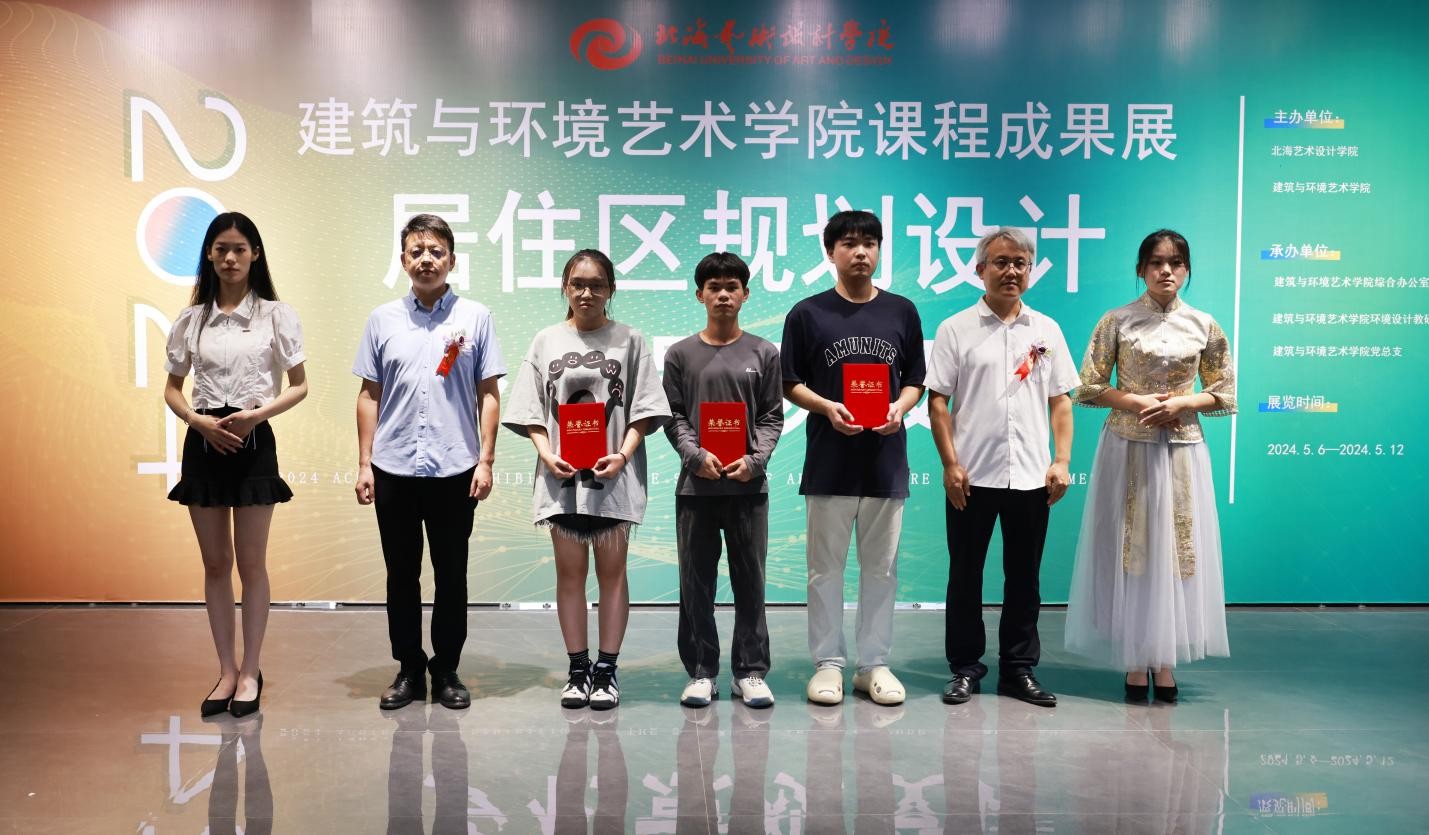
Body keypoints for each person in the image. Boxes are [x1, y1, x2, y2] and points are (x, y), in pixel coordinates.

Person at [1064, 229, 1235, 703]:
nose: (1166, 271)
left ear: (1187, 269)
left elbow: (1224, 391)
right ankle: (1136, 659)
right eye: (1157, 262)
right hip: (1128, 445)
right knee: (1133, 545)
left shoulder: (1203, 324)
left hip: (1182, 449)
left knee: (1177, 548)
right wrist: (1135, 400)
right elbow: (1088, 386)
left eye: (1176, 262)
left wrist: (1184, 403)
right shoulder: (1117, 320)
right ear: (1140, 269)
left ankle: (1166, 659)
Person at [503, 249, 670, 710]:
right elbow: (531, 410)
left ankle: (607, 672)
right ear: (565, 287)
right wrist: (546, 453)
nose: (586, 292)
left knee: (613, 575)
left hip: (613, 478)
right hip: (561, 479)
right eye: (577, 283)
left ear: (611, 290)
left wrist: (623, 455)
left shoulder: (631, 340)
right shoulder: (546, 341)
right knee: (570, 574)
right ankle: (578, 670)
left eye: (597, 284)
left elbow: (644, 409)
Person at [354, 213, 505, 711]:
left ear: (451, 261)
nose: (426, 259)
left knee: (451, 574)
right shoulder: (382, 320)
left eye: (436, 251)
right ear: (403, 261)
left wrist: (485, 460)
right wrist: (364, 463)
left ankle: (446, 670)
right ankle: (408, 669)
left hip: (454, 469)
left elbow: (488, 394)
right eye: (416, 251)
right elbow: (369, 395)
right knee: (400, 574)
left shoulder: (475, 318)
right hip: (393, 467)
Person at [925, 226, 1079, 708]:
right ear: (980, 270)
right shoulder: (956, 329)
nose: (1011, 271)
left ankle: (1018, 669)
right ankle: (965, 668)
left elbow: (1061, 400)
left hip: (1032, 476)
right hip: (971, 476)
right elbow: (937, 402)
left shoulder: (1046, 330)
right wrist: (950, 464)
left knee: (1025, 577)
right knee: (965, 576)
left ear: (1030, 271)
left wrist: (1061, 460)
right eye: (1001, 262)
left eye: (1020, 263)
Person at [164, 212, 308, 718]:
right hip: (204, 441)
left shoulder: (275, 315)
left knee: (251, 564)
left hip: (252, 439)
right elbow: (172, 389)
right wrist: (197, 421)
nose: (230, 258)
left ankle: (250, 671)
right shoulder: (191, 320)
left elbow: (300, 385)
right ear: (209, 254)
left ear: (255, 255)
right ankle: (225, 670)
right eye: (221, 249)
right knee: (214, 564)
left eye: (239, 249)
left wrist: (254, 416)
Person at [780, 210, 926, 706]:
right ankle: (827, 664)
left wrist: (899, 408)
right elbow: (789, 381)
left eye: (869, 242)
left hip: (885, 461)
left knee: (881, 570)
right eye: (848, 243)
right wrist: (826, 406)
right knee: (825, 570)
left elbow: (915, 379)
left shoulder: (902, 311)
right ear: (830, 252)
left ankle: (873, 665)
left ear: (879, 250)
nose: (860, 251)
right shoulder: (807, 313)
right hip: (830, 462)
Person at [662, 252, 783, 709]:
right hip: (696, 488)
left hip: (748, 488)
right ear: (700, 295)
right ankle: (701, 672)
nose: (723, 295)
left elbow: (771, 416)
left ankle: (750, 671)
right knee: (696, 584)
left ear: (745, 294)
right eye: (714, 287)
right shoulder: (679, 355)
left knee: (751, 582)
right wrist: (694, 456)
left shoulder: (764, 352)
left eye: (732, 287)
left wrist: (756, 460)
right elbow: (673, 416)